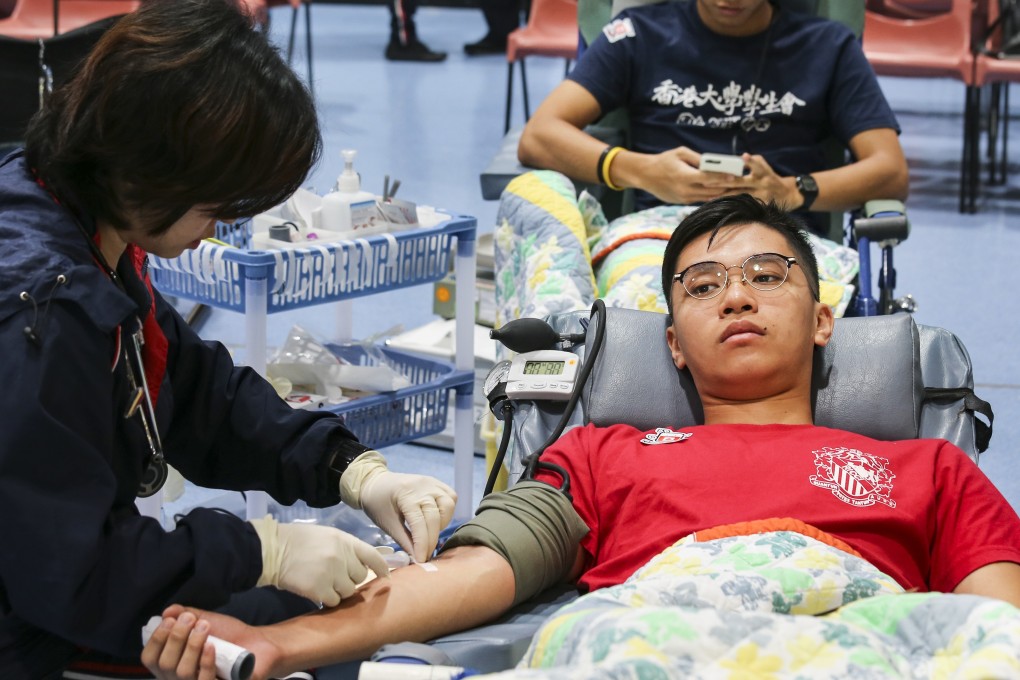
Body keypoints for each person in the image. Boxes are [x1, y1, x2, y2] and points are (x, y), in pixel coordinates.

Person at [142, 193, 1020, 678]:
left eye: (766, 274)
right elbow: (462, 581)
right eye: (704, 285)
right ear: (671, 340)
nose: (738, 296)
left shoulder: (929, 468)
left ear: (824, 319)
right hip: (656, 644)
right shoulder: (604, 453)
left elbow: (992, 634)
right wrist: (281, 640)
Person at [0, 1, 457, 676]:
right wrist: (260, 549)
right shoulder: (40, 311)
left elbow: (188, 387)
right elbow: (69, 573)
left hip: (61, 580)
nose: (217, 231)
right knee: (312, 632)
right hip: (33, 627)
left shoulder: (72, 212)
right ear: (150, 164)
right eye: (215, 206)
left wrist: (347, 468)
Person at [516, 0, 910, 234]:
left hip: (777, 234)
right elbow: (539, 136)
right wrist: (640, 171)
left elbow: (890, 170)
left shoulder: (828, 47)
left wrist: (791, 191)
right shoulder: (636, 34)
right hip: (658, 237)